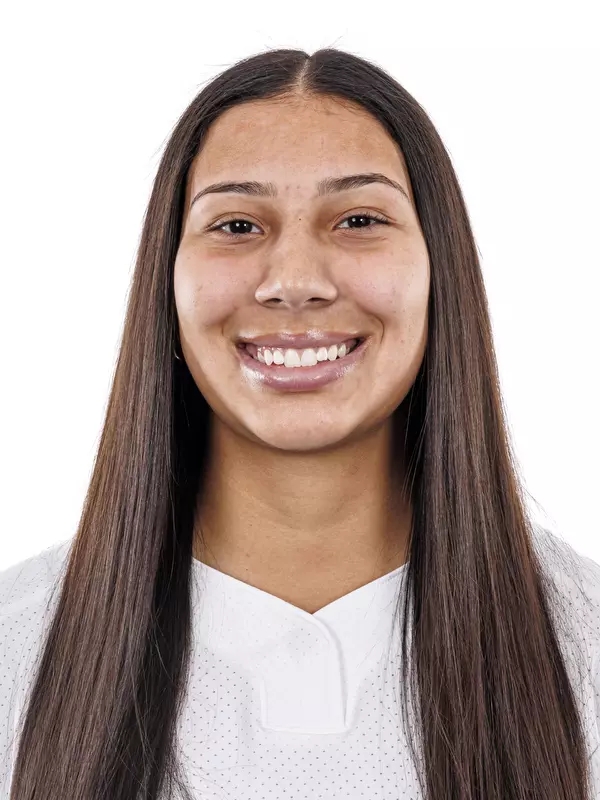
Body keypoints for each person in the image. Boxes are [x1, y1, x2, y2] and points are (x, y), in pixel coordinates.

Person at [2, 47, 599, 800]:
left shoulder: (585, 649)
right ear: (168, 276)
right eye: (238, 224)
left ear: (437, 267)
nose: (294, 282)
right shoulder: (15, 651)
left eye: (357, 218)